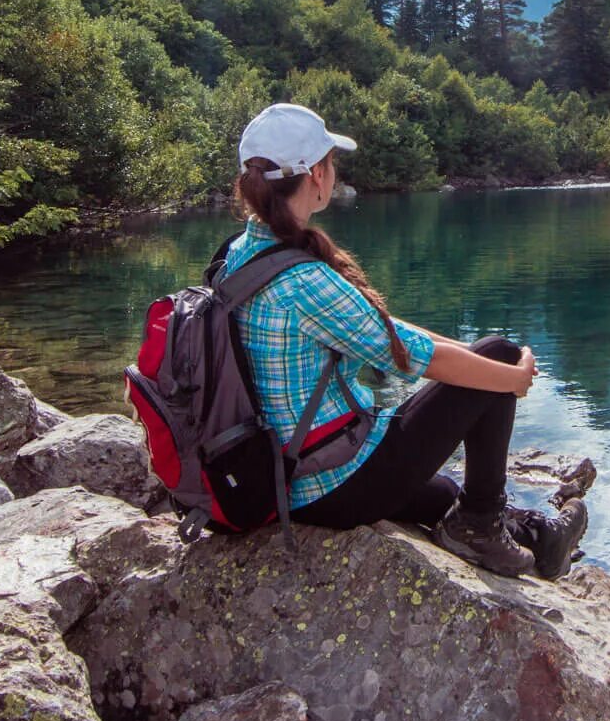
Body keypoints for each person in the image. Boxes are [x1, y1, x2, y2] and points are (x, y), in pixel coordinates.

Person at [224, 102, 588, 578]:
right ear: (315, 174)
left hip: (283, 474)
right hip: (326, 486)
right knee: (496, 353)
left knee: (444, 495)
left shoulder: (242, 253)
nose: (334, 171)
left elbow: (383, 329)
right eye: (332, 162)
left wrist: (475, 360)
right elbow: (410, 355)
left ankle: (536, 535)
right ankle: (479, 530)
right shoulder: (304, 280)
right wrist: (510, 377)